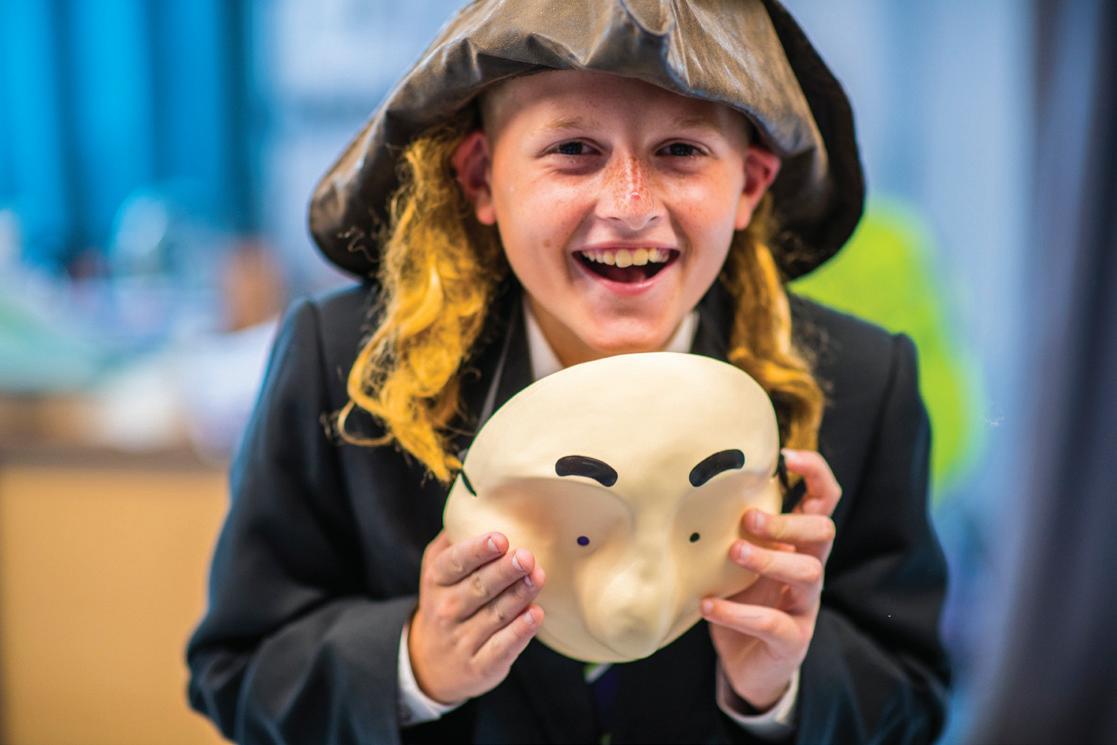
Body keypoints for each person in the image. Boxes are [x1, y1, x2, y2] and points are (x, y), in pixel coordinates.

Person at [186, 1, 951, 742]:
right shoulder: (345, 363)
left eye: (680, 151)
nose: (628, 206)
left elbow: (913, 696)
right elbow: (239, 670)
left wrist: (780, 687)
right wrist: (416, 664)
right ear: (481, 177)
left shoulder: (860, 383)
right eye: (574, 149)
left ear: (748, 184)